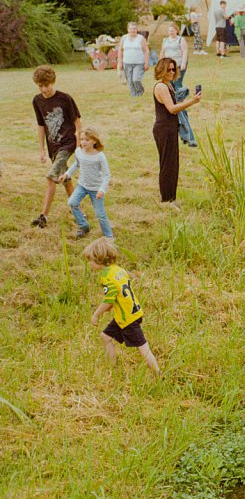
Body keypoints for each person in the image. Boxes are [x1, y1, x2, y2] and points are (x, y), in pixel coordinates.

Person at [85, 237, 159, 377]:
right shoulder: (118, 270)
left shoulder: (107, 277)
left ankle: (159, 375)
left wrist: (96, 314)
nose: (89, 263)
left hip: (128, 319)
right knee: (105, 336)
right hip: (129, 313)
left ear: (99, 259)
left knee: (143, 348)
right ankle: (113, 370)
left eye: (90, 260)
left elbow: (109, 300)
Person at [31, 65, 81, 228]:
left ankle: (43, 216)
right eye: (40, 86)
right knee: (65, 179)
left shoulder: (65, 98)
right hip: (53, 146)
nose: (44, 89)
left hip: (67, 143)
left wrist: (79, 145)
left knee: (51, 176)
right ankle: (78, 211)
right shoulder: (37, 101)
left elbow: (77, 121)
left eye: (46, 85)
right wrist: (41, 150)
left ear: (53, 82)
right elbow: (40, 126)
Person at [152, 58, 201, 208]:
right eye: (169, 70)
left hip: (170, 128)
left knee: (173, 165)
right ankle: (166, 200)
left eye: (174, 69)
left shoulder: (169, 85)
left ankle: (171, 198)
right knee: (167, 165)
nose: (172, 72)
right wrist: (192, 102)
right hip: (164, 129)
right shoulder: (161, 87)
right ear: (161, 70)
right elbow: (172, 109)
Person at [59, 128, 113, 240]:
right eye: (82, 139)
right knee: (72, 203)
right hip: (82, 186)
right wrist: (67, 174)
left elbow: (107, 175)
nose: (83, 142)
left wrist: (102, 190)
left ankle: (109, 237)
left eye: (86, 140)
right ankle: (83, 226)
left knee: (100, 214)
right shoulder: (79, 152)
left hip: (96, 189)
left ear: (94, 141)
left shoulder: (100, 156)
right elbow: (76, 164)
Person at [117, 22, 149, 97]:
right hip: (127, 62)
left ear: (137, 29)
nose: (133, 30)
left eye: (134, 29)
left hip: (139, 63)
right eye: (131, 29)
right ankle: (134, 96)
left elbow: (146, 50)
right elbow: (120, 50)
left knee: (136, 79)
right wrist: (120, 62)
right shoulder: (124, 38)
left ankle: (140, 91)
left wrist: (146, 62)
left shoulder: (141, 38)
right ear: (128, 29)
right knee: (130, 81)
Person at [159, 24, 189, 92]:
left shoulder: (181, 39)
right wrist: (160, 63)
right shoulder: (165, 40)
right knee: (170, 82)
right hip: (168, 65)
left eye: (172, 31)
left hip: (178, 64)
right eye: (169, 31)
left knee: (177, 82)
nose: (171, 32)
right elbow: (162, 52)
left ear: (176, 31)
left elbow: (184, 51)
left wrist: (183, 63)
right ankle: (173, 99)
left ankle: (180, 98)